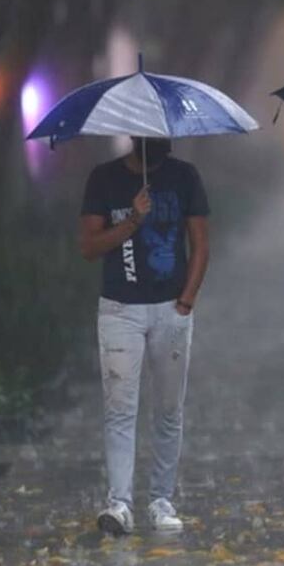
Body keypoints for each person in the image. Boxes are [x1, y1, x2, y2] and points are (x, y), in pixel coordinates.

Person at [78, 137, 210, 535]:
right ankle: (119, 504)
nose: (163, 142)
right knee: (120, 408)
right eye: (153, 136)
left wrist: (185, 301)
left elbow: (201, 244)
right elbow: (89, 246)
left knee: (169, 410)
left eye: (167, 135)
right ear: (136, 138)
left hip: (171, 308)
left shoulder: (185, 177)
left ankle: (161, 500)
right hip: (120, 309)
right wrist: (132, 221)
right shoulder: (104, 180)